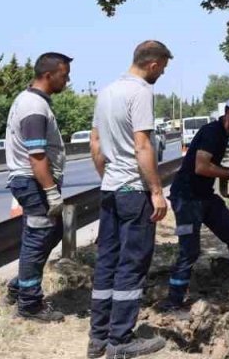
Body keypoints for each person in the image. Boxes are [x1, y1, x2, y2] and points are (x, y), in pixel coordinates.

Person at [88, 41, 172, 359]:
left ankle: (98, 339)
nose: (162, 73)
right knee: (132, 263)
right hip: (133, 191)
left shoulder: (106, 92)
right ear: (152, 64)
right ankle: (121, 341)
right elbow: (143, 147)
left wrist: (107, 178)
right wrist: (156, 191)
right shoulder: (140, 93)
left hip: (110, 189)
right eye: (163, 68)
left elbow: (96, 143)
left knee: (107, 262)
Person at [158, 94, 229, 313]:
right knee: (189, 251)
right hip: (187, 198)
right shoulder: (212, 132)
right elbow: (201, 167)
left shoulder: (224, 134)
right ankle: (173, 302)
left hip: (204, 197)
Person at [2, 52, 72, 322]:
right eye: (64, 75)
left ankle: (20, 285)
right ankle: (29, 304)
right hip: (33, 182)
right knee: (38, 238)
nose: (67, 80)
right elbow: (37, 156)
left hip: (34, 182)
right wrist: (50, 191)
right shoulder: (33, 107)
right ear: (48, 75)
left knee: (50, 233)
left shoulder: (33, 101)